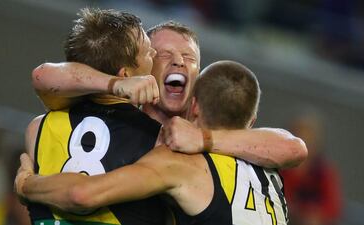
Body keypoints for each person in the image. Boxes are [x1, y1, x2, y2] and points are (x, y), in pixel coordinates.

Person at [16, 60, 289, 225]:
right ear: (252, 120)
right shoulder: (270, 171)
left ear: (192, 106)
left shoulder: (182, 164)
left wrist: (27, 184)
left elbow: (83, 194)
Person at [31, 21, 307, 168]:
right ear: (147, 64)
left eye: (189, 57)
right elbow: (45, 76)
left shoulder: (213, 138)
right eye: (164, 54)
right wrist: (115, 83)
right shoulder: (111, 119)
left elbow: (293, 148)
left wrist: (202, 139)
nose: (179, 62)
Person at [24, 8, 169, 225]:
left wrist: (25, 186)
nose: (155, 54)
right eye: (148, 52)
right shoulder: (159, 140)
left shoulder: (38, 128)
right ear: (125, 74)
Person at [281, 111, 342, 225]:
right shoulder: (279, 168)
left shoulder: (324, 172)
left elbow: (333, 207)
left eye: (309, 135)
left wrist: (312, 213)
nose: (304, 139)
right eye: (299, 133)